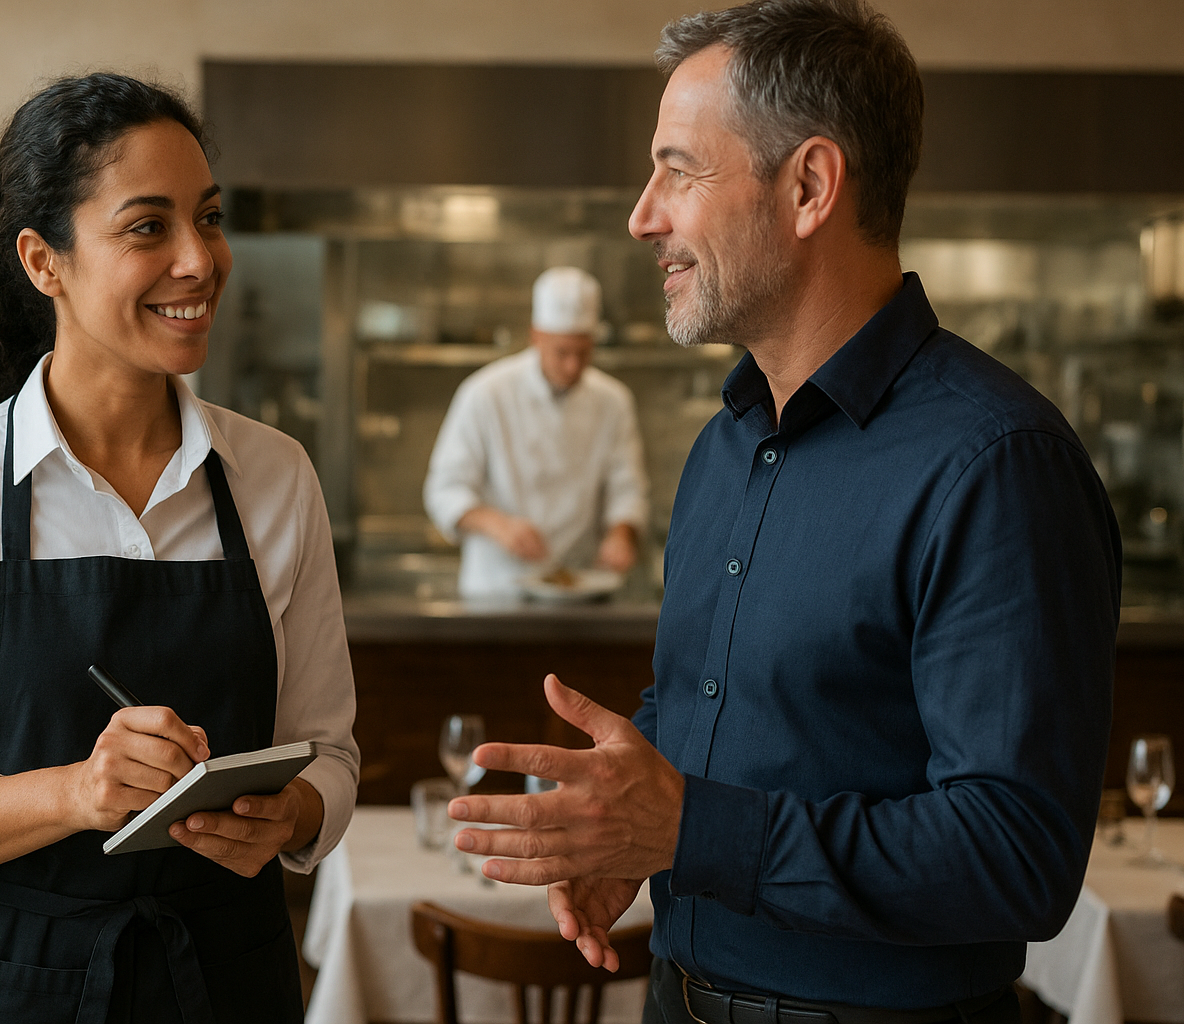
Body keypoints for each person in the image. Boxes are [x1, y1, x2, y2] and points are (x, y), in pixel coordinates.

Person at [447, 2, 1119, 1021]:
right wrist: (625, 824)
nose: (643, 216)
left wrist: (690, 830)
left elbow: (1017, 855)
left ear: (809, 187)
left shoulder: (998, 463)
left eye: (679, 170)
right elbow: (702, 702)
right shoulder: (725, 445)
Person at [0, 73, 358, 1023]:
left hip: (229, 983)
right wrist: (75, 793)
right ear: (44, 261)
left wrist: (292, 812)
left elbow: (330, 753)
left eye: (209, 219)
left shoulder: (277, 478)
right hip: (8, 987)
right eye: (148, 227)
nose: (199, 260)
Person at [424, 267, 649, 598]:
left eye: (583, 353)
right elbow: (444, 490)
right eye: (562, 352)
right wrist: (499, 525)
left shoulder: (613, 401)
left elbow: (627, 488)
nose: (573, 366)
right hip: (496, 588)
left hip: (581, 585)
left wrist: (621, 534)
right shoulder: (485, 393)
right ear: (536, 336)